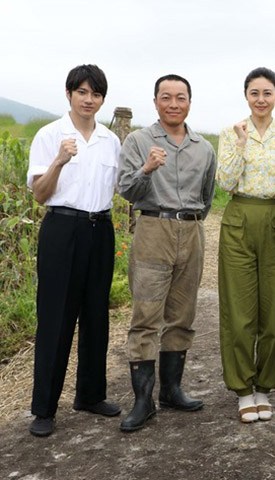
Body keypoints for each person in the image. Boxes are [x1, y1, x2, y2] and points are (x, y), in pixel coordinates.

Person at [117, 74, 216, 432]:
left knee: (182, 314)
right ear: (155, 101)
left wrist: (188, 221)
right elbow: (126, 189)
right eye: (166, 97)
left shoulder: (203, 147)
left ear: (190, 101)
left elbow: (207, 197)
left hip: (191, 230)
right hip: (152, 229)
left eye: (181, 97)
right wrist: (147, 169)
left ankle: (172, 390)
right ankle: (143, 401)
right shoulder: (139, 141)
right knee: (145, 316)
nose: (174, 103)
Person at [26, 64, 122, 437]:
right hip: (62, 228)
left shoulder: (110, 140)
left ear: (101, 99)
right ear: (69, 94)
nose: (89, 99)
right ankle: (44, 408)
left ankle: (91, 395)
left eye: (95, 94)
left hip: (101, 229)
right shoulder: (50, 135)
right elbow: (39, 194)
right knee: (56, 315)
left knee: (97, 313)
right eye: (82, 92)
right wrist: (59, 161)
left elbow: (119, 188)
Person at [216, 67, 275, 423]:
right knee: (239, 311)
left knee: (272, 310)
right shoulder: (231, 132)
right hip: (239, 218)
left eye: (267, 92)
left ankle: (265, 387)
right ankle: (242, 389)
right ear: (246, 96)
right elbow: (224, 182)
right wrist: (239, 146)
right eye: (254, 93)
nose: (261, 99)